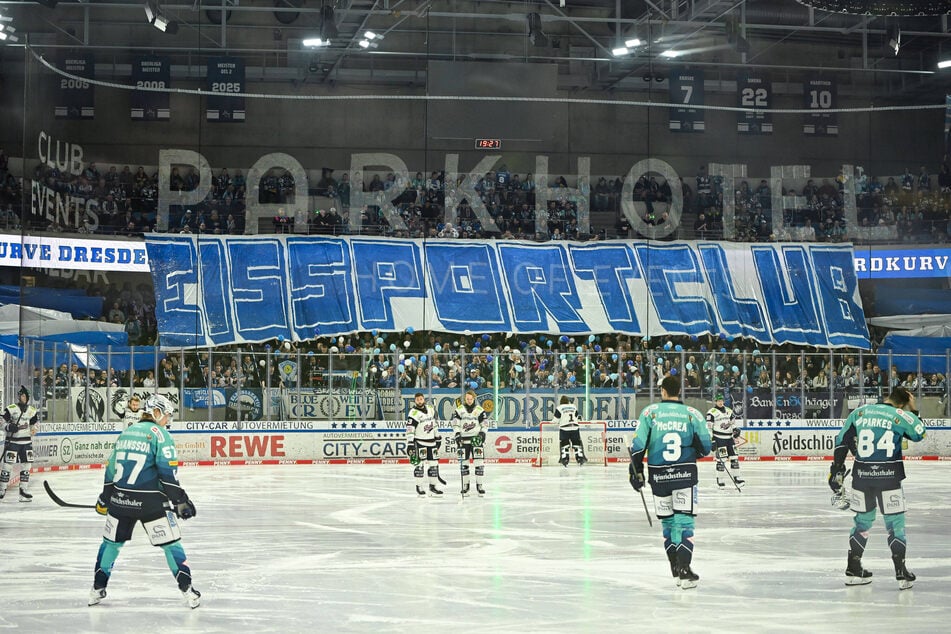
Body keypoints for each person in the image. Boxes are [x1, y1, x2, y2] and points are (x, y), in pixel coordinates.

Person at [88, 394, 201, 608]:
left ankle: (96, 589)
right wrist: (181, 501)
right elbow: (168, 475)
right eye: (166, 415)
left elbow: (110, 471)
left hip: (121, 500)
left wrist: (105, 498)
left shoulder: (126, 433)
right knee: (171, 545)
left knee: (110, 544)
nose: (168, 420)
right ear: (156, 412)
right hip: (151, 504)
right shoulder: (161, 435)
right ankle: (188, 591)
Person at [828, 386, 926, 589]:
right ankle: (901, 573)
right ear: (903, 403)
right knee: (895, 525)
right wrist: (913, 410)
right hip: (889, 478)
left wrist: (836, 470)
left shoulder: (860, 412)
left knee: (862, 522)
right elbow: (919, 433)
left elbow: (841, 441)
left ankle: (853, 569)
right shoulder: (899, 414)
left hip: (862, 477)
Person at [629, 375, 712, 589]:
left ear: (663, 392)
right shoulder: (692, 414)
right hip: (685, 475)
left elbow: (638, 446)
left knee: (667, 523)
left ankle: (675, 570)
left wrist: (635, 471)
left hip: (659, 476)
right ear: (679, 391)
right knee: (684, 522)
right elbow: (705, 447)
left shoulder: (650, 413)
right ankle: (685, 570)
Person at [0, 386, 39, 502]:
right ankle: (2, 489)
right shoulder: (11, 409)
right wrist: (8, 426)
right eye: (22, 396)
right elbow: (1, 420)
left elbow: (35, 423)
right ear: (19, 396)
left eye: (26, 396)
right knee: (8, 465)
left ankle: (23, 491)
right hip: (13, 442)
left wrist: (34, 429)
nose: (24, 398)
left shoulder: (32, 410)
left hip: (26, 442)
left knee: (27, 465)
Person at [450, 390, 489, 497]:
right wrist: (457, 434)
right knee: (464, 464)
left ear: (474, 398)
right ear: (465, 399)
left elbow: (485, 424)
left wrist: (482, 434)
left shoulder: (480, 410)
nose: (469, 400)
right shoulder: (459, 410)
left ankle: (479, 485)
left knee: (479, 464)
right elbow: (455, 424)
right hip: (463, 441)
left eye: (471, 399)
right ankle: (465, 486)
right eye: (467, 399)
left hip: (476, 440)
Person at [406, 392, 442, 496]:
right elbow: (410, 429)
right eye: (417, 400)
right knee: (419, 465)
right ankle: (419, 487)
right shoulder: (413, 413)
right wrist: (410, 443)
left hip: (432, 442)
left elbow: (434, 424)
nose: (419, 401)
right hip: (420, 442)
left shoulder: (430, 409)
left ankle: (433, 487)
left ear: (423, 399)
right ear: (415, 401)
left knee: (434, 465)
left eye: (421, 399)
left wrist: (438, 437)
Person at [705, 393, 745, 489]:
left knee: (734, 458)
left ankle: (737, 478)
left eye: (721, 400)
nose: (720, 402)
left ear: (723, 401)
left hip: (729, 439)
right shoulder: (711, 412)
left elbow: (732, 423)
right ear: (715, 401)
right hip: (719, 439)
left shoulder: (729, 411)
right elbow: (709, 428)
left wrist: (736, 429)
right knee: (721, 460)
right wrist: (712, 440)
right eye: (718, 400)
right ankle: (720, 480)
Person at [554, 395, 586, 466]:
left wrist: (551, 422)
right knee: (577, 444)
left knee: (564, 444)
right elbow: (577, 417)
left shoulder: (559, 408)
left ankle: (565, 459)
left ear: (561, 402)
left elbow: (556, 420)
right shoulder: (573, 406)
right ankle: (580, 459)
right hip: (575, 427)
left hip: (564, 428)